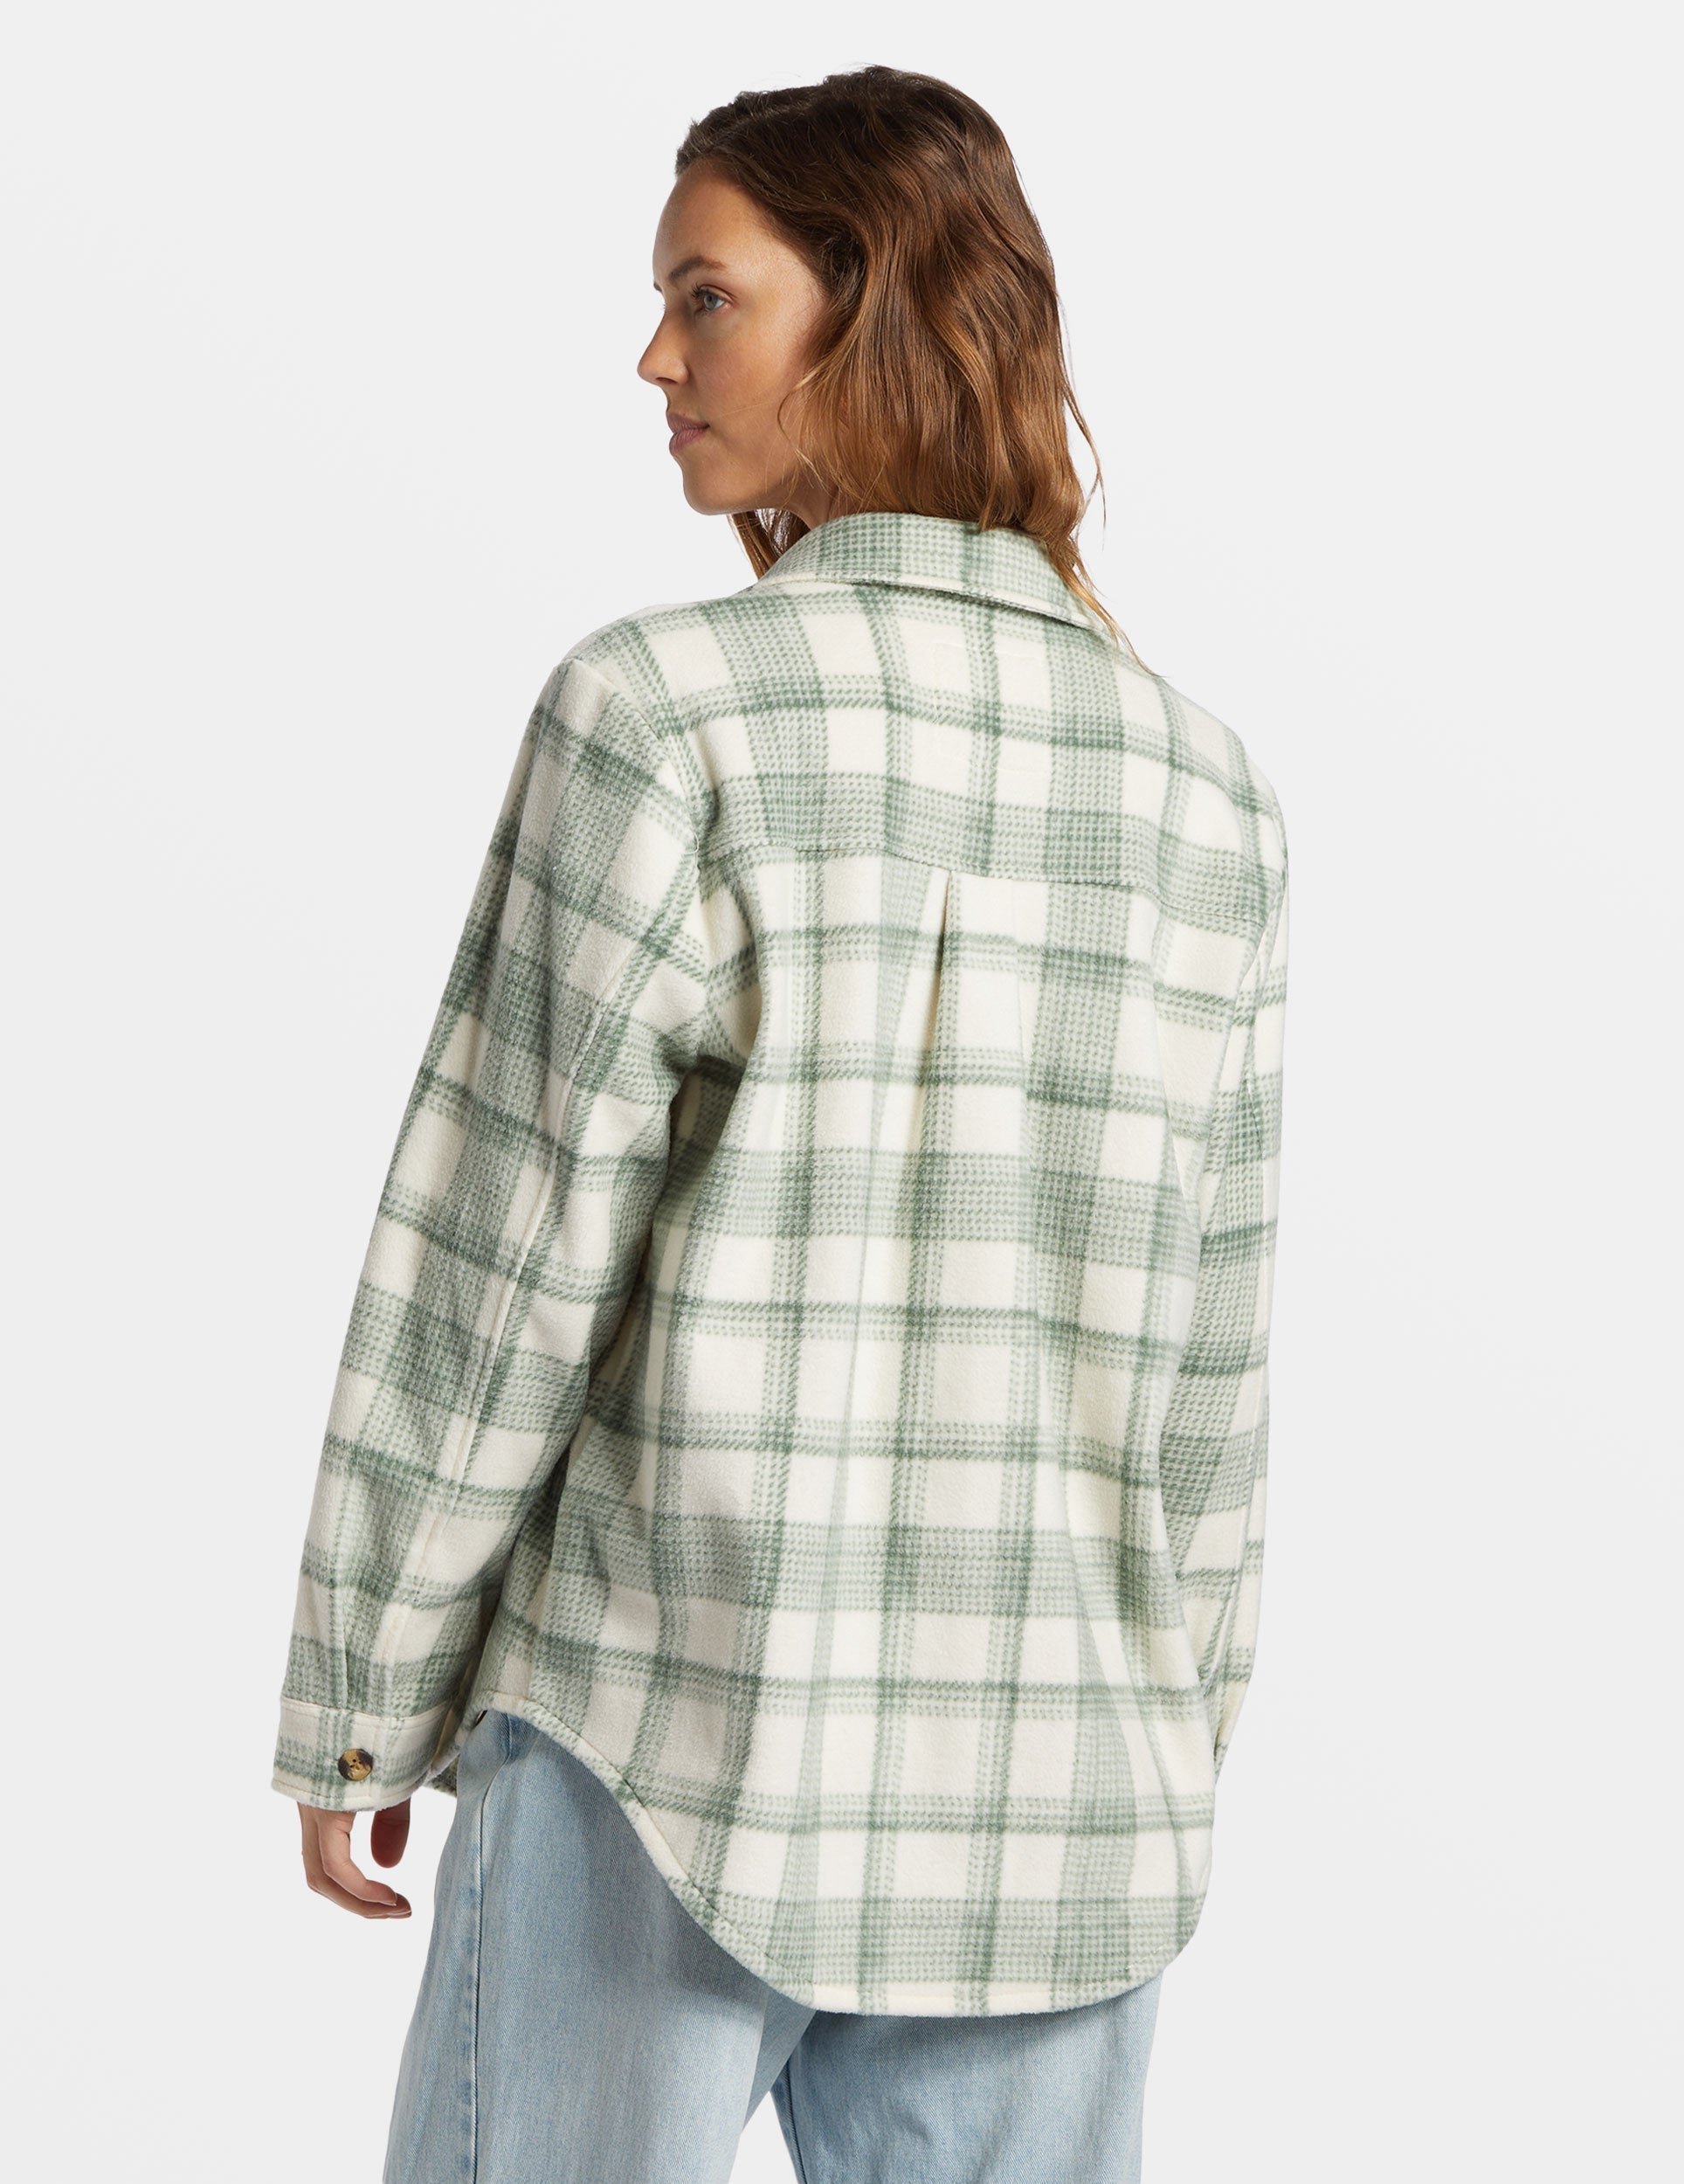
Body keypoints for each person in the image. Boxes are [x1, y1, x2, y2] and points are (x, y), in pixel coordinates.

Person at [272, 64, 1290, 2184]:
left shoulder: (663, 712)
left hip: (670, 1735)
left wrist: (367, 1684)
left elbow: (499, 1253)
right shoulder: (1204, 789)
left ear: (872, 307)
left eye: (704, 297)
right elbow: (1209, 1370)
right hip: (1057, 1802)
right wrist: (1164, 1734)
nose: (655, 359)